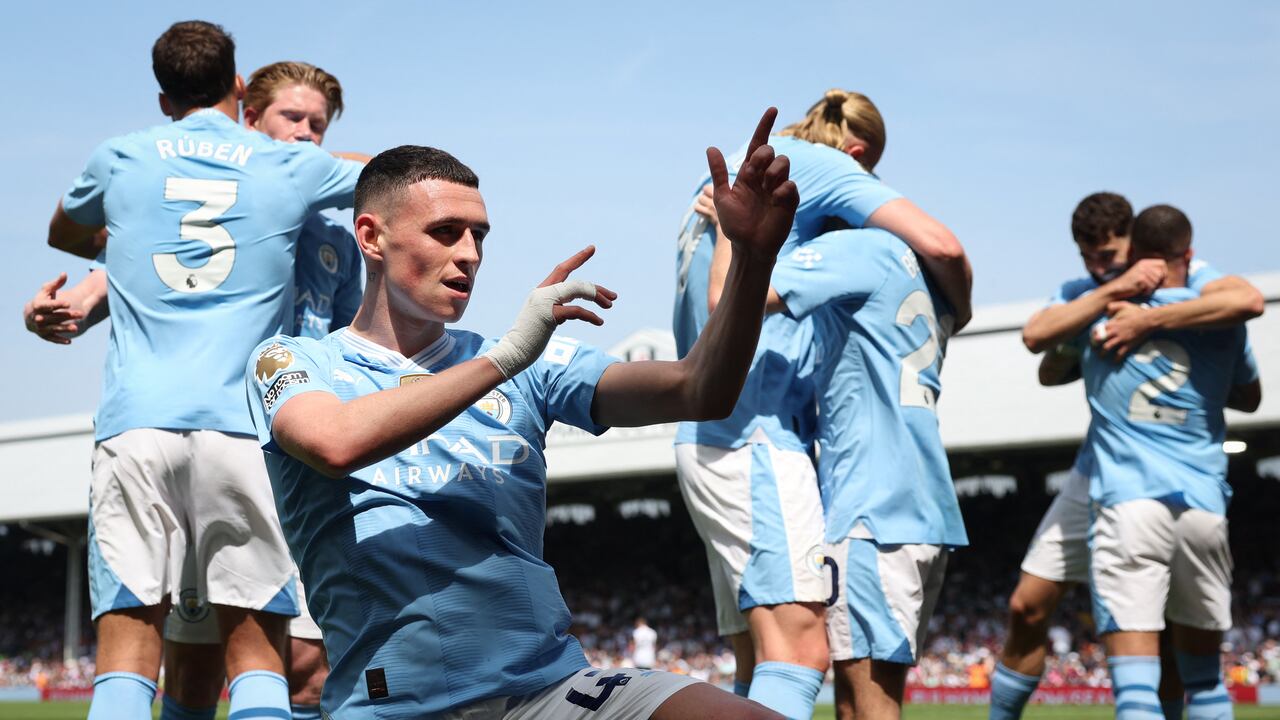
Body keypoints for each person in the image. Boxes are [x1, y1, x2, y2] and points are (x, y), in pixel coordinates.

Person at [246, 109, 797, 718]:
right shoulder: (292, 359)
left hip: (546, 692)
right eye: (445, 231)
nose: (470, 254)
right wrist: (507, 356)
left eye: (479, 235)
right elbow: (333, 442)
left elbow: (700, 390)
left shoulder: (533, 362)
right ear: (371, 237)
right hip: (395, 705)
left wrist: (751, 260)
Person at [44, 21, 364, 720]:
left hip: (153, 430)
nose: (308, 134)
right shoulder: (286, 172)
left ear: (163, 97)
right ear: (244, 97)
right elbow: (394, 172)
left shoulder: (127, 159)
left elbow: (67, 236)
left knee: (139, 653)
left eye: (320, 124)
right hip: (246, 436)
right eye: (295, 118)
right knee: (240, 661)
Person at [672, 89, 970, 719]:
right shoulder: (859, 228)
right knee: (803, 655)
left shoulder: (734, 197)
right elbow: (942, 243)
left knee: (764, 661)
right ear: (857, 156)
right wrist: (961, 311)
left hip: (731, 437)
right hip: (767, 444)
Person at [990, 192, 1265, 720]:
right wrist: (1115, 296)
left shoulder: (1189, 281)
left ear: (1139, 247)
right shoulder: (1093, 295)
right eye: (1088, 258)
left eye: (1110, 255)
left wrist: (1146, 321)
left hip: (1134, 487)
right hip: (1104, 470)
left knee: (1155, 645)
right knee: (1027, 605)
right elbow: (1046, 359)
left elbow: (1245, 300)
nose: (1099, 267)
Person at [710, 222, 969, 720]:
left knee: (866, 704)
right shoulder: (914, 268)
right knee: (863, 701)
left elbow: (729, 299)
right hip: (919, 503)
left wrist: (733, 231)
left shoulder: (852, 250)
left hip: (872, 509)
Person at [1064, 205, 1260, 719]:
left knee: (1136, 692)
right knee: (1205, 682)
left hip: (1129, 506)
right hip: (1202, 507)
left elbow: (1040, 344)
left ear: (1133, 255)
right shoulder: (1220, 317)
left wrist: (1135, 318)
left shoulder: (1104, 315)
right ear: (1188, 254)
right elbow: (1251, 396)